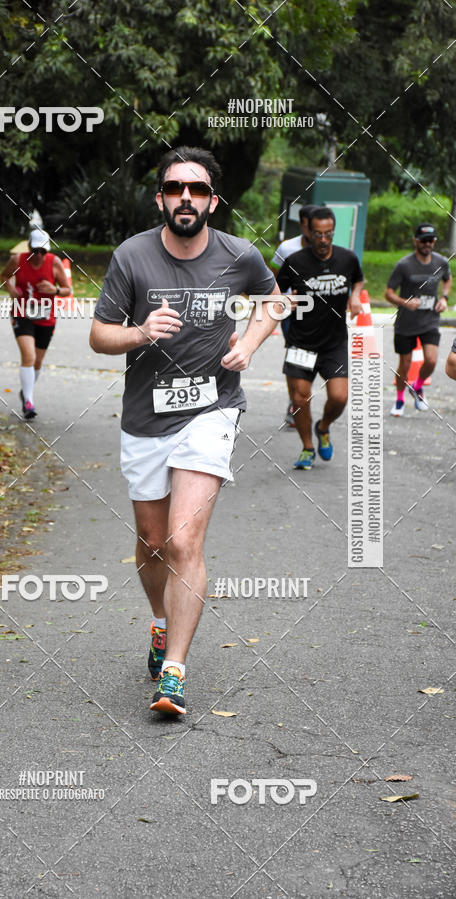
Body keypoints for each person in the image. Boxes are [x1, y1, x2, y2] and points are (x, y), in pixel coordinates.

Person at [89, 146, 282, 716]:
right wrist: (141, 332)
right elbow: (100, 336)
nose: (186, 199)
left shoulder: (239, 254)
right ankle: (158, 622)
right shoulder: (132, 257)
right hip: (146, 417)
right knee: (151, 544)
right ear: (161, 198)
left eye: (197, 190)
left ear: (213, 202)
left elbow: (274, 303)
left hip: (212, 409)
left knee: (182, 541)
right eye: (175, 189)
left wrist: (247, 344)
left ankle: (172, 673)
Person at [276, 206, 364, 470]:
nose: (323, 240)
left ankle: (323, 427)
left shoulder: (347, 258)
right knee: (300, 398)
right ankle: (307, 447)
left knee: (339, 397)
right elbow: (273, 293)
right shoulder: (295, 262)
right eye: (318, 234)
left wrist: (356, 295)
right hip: (301, 342)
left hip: (333, 343)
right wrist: (283, 300)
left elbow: (358, 280)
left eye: (328, 234)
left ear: (333, 232)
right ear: (308, 231)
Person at [0, 228, 71, 419]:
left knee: (38, 362)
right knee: (29, 357)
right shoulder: (17, 260)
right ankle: (29, 402)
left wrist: (54, 290)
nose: (39, 255)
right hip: (22, 313)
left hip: (46, 317)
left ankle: (26, 391)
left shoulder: (54, 263)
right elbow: (4, 276)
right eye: (35, 250)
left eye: (43, 251)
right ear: (29, 247)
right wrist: (11, 289)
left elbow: (67, 290)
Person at [385, 223, 451, 415]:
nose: (427, 244)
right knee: (404, 365)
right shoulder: (404, 265)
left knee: (431, 360)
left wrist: (445, 298)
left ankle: (417, 386)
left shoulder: (441, 262)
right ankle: (399, 400)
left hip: (429, 320)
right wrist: (404, 302)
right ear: (415, 241)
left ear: (435, 242)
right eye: (423, 240)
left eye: (431, 240)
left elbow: (447, 279)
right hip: (406, 323)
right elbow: (388, 293)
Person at [270, 204, 316, 427]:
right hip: (292, 312)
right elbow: (273, 276)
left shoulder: (327, 248)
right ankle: (295, 402)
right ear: (302, 225)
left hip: (319, 314)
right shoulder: (287, 248)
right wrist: (280, 302)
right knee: (297, 355)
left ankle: (300, 397)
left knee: (312, 357)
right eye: (310, 225)